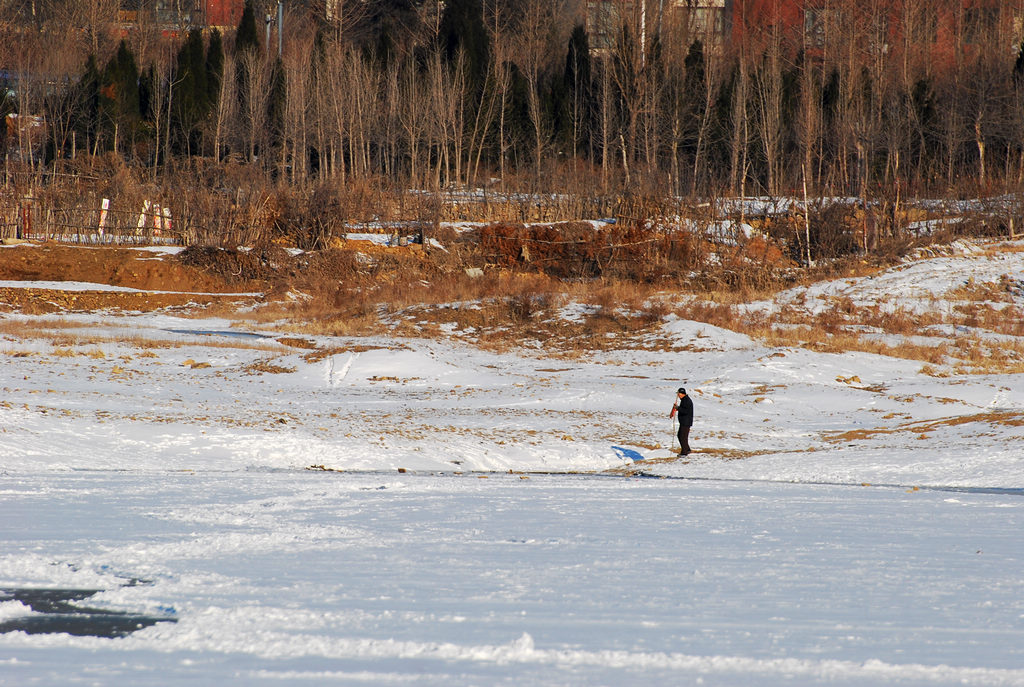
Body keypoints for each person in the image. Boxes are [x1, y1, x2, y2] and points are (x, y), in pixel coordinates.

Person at [669, 387, 693, 456]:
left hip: (686, 422)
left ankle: (684, 452)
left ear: (682, 394)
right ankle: (687, 449)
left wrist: (678, 408)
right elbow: (683, 409)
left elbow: (686, 411)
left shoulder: (686, 400)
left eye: (678, 394)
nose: (678, 395)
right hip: (684, 422)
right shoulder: (684, 400)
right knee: (680, 436)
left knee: (682, 437)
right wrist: (678, 408)